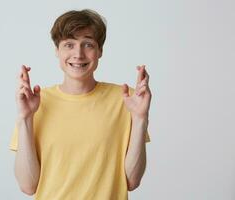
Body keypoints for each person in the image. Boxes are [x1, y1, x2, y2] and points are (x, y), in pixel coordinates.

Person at [9, 9, 152, 200]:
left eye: (88, 44)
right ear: (57, 51)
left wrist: (140, 118)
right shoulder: (36, 102)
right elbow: (28, 186)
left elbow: (131, 181)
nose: (78, 54)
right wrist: (25, 118)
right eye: (69, 44)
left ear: (100, 51)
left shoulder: (127, 100)